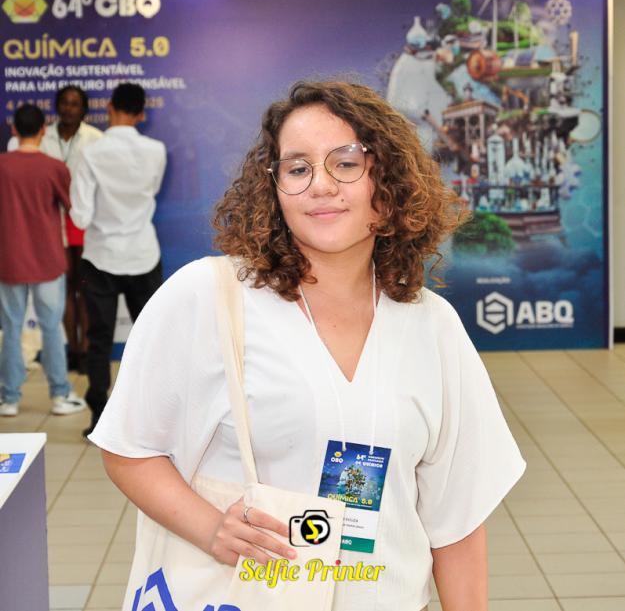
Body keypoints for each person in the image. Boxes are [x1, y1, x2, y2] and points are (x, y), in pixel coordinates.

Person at [89, 81, 526, 610]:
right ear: (273, 190)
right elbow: (129, 448)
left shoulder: (432, 327)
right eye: (297, 169)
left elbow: (456, 520)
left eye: (346, 163)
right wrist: (210, 528)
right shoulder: (208, 297)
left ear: (388, 183)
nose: (320, 185)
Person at [69, 83, 166, 438]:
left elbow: (80, 217)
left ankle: (99, 418)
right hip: (143, 254)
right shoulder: (156, 151)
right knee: (154, 339)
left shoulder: (90, 153)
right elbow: (151, 191)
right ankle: (156, 418)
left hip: (101, 256)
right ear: (141, 113)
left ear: (109, 107)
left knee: (99, 340)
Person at [8, 87, 103, 373]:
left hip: (85, 219)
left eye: (75, 104)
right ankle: (73, 349)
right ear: (56, 107)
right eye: (64, 103)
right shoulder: (44, 137)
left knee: (84, 287)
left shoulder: (96, 139)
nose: (69, 109)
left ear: (84, 109)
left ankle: (86, 350)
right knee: (65, 286)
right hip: (51, 220)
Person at [0, 104, 87, 417]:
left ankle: (8, 399)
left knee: (11, 328)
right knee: (51, 328)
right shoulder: (54, 167)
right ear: (42, 131)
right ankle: (60, 395)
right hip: (48, 259)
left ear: (14, 130)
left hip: (8, 259)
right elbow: (72, 208)